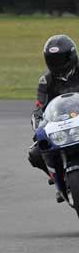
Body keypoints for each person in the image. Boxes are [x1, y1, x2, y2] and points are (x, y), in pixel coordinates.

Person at [28, 35, 79, 202]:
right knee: (35, 153)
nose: (57, 63)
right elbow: (38, 107)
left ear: (71, 56)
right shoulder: (46, 81)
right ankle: (59, 178)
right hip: (60, 126)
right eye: (53, 59)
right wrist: (38, 127)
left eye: (61, 59)